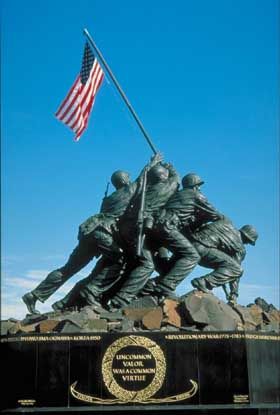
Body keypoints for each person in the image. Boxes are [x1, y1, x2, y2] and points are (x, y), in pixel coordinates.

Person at [22, 154, 161, 314]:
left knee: (69, 269)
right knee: (119, 258)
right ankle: (91, 292)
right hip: (103, 232)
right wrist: (152, 163)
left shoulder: (108, 199)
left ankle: (34, 295)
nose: (130, 180)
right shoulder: (127, 191)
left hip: (89, 231)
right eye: (127, 178)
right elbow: (142, 179)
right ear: (123, 181)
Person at [106, 161, 180, 309]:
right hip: (141, 230)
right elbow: (177, 178)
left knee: (160, 259)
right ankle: (121, 299)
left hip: (132, 230)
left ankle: (161, 289)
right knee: (147, 264)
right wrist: (170, 166)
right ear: (163, 176)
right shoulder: (165, 187)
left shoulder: (142, 192)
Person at [143, 173, 225, 299]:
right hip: (168, 227)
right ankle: (166, 286)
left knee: (178, 256)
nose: (199, 189)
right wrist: (222, 218)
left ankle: (152, 284)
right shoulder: (195, 195)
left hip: (157, 227)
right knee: (192, 256)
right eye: (198, 186)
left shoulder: (177, 195)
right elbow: (214, 214)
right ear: (195, 186)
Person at [190, 220, 258, 304]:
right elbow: (235, 271)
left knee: (226, 266)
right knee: (237, 270)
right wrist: (234, 294)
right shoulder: (240, 248)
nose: (247, 244)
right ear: (246, 237)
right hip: (203, 250)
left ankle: (206, 283)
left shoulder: (227, 225)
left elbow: (224, 266)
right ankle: (204, 282)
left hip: (190, 244)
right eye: (248, 241)